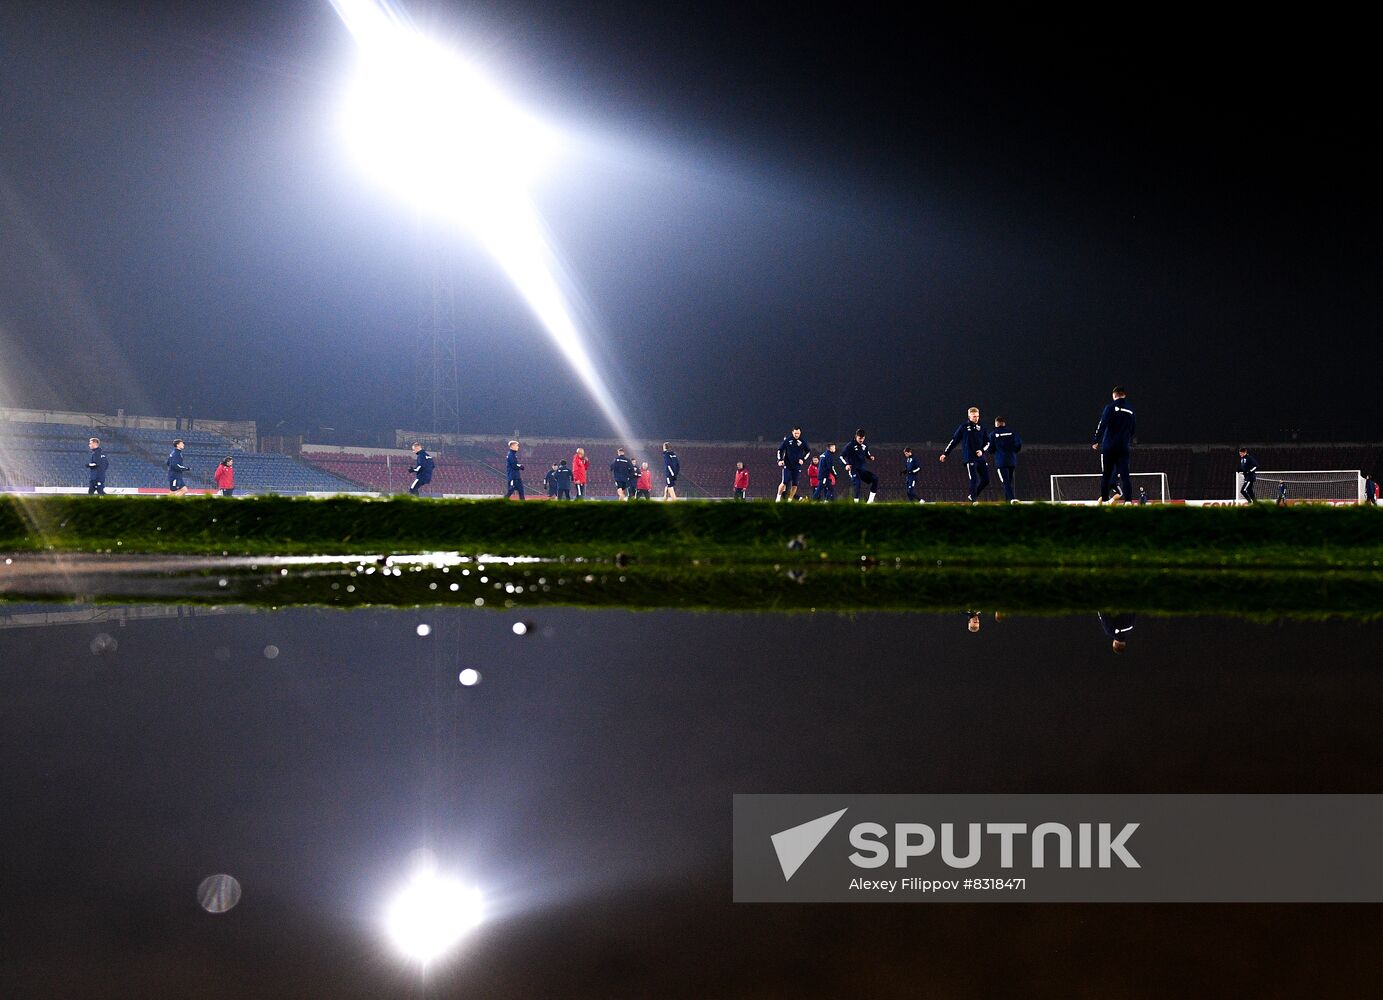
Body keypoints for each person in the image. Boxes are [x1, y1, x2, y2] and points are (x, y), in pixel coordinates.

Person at [1092, 386, 1136, 504]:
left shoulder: (1110, 407)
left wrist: (1096, 440)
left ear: (1114, 395)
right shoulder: (1131, 410)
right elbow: (1133, 429)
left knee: (1106, 474)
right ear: (1124, 395)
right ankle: (1128, 502)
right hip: (1123, 447)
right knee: (1125, 475)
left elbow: (1103, 423)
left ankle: (1105, 501)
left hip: (1109, 446)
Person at [940, 407, 989, 501]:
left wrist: (982, 451)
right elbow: (954, 440)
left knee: (986, 480)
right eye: (974, 416)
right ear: (969, 416)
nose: (976, 418)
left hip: (980, 457)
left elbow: (988, 442)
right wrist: (945, 453)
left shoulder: (982, 427)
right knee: (974, 479)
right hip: (970, 457)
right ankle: (974, 501)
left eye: (977, 416)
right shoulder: (963, 427)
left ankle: (972, 496)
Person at [989, 417, 1022, 502]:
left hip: (1001, 461)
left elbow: (990, 449)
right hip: (1012, 460)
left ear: (996, 423)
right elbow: (1018, 444)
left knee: (1005, 482)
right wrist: (1013, 451)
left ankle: (1011, 499)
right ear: (1004, 423)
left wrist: (996, 451)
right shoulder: (1013, 432)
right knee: (1009, 481)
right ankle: (1008, 502)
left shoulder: (993, 434)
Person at [841, 428, 878, 503]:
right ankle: (856, 503)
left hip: (862, 469)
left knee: (875, 479)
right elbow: (841, 456)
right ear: (856, 436)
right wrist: (846, 465)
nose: (861, 440)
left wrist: (870, 457)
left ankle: (870, 502)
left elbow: (867, 453)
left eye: (863, 438)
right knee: (857, 484)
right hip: (853, 469)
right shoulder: (850, 445)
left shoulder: (865, 445)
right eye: (860, 438)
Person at [776, 427, 812, 502]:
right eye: (795, 433)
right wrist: (780, 460)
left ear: (800, 433)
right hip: (788, 465)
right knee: (784, 482)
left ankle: (790, 500)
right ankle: (778, 498)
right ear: (792, 432)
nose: (796, 435)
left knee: (795, 484)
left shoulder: (802, 441)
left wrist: (803, 459)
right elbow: (780, 450)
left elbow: (808, 451)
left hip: (797, 466)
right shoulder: (787, 440)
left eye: (798, 433)